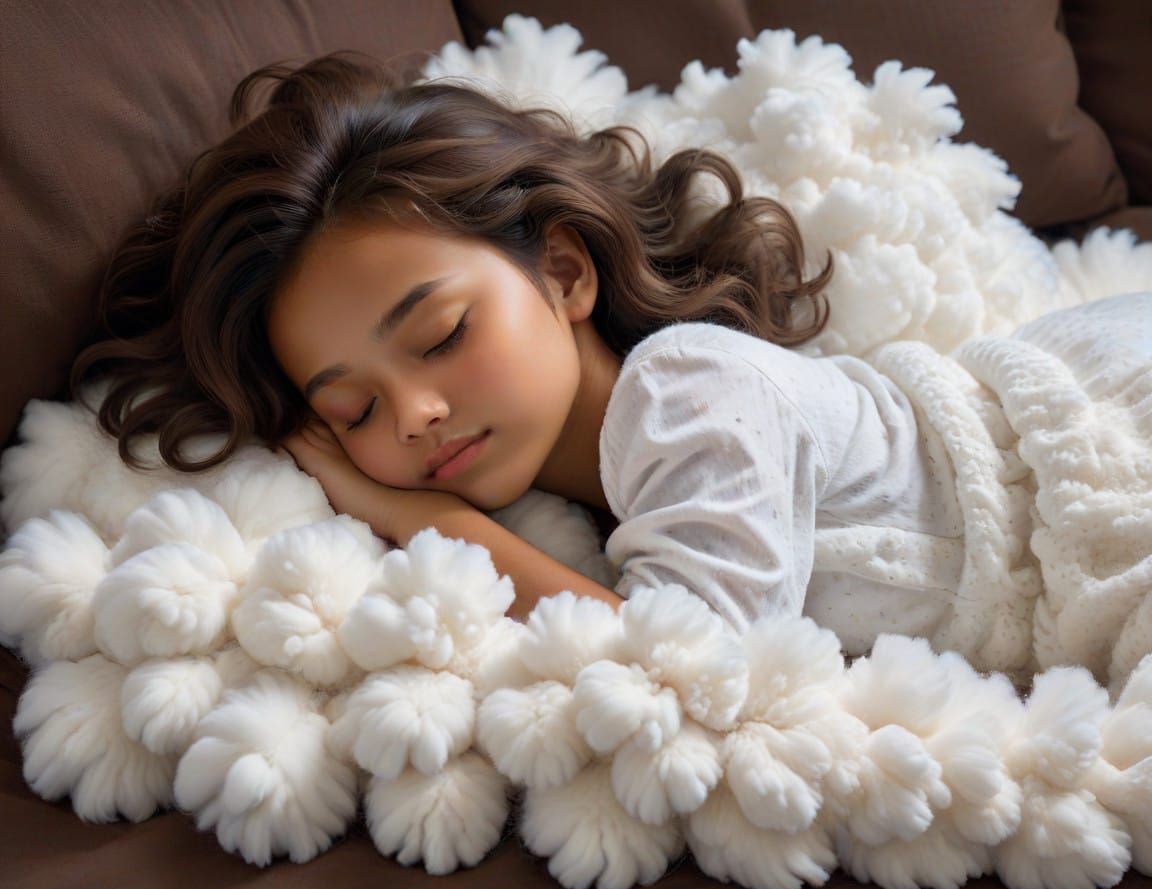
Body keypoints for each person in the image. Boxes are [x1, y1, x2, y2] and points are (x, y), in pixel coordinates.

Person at [71, 54, 1151, 678]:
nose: (417, 413)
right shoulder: (588, 510)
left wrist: (432, 526)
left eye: (442, 334)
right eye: (350, 406)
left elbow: (690, 663)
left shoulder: (689, 386)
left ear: (566, 269)